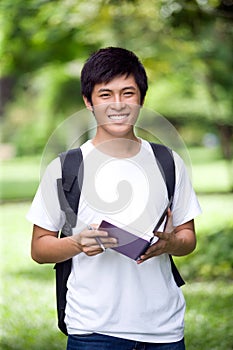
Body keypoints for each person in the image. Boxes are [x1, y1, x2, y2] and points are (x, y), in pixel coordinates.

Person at [27, 47, 201, 350]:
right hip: (94, 332)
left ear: (141, 99)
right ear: (88, 102)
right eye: (105, 94)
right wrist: (77, 243)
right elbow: (39, 248)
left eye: (128, 93)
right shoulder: (66, 167)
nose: (118, 104)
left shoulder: (168, 162)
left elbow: (188, 237)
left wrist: (171, 243)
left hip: (165, 332)